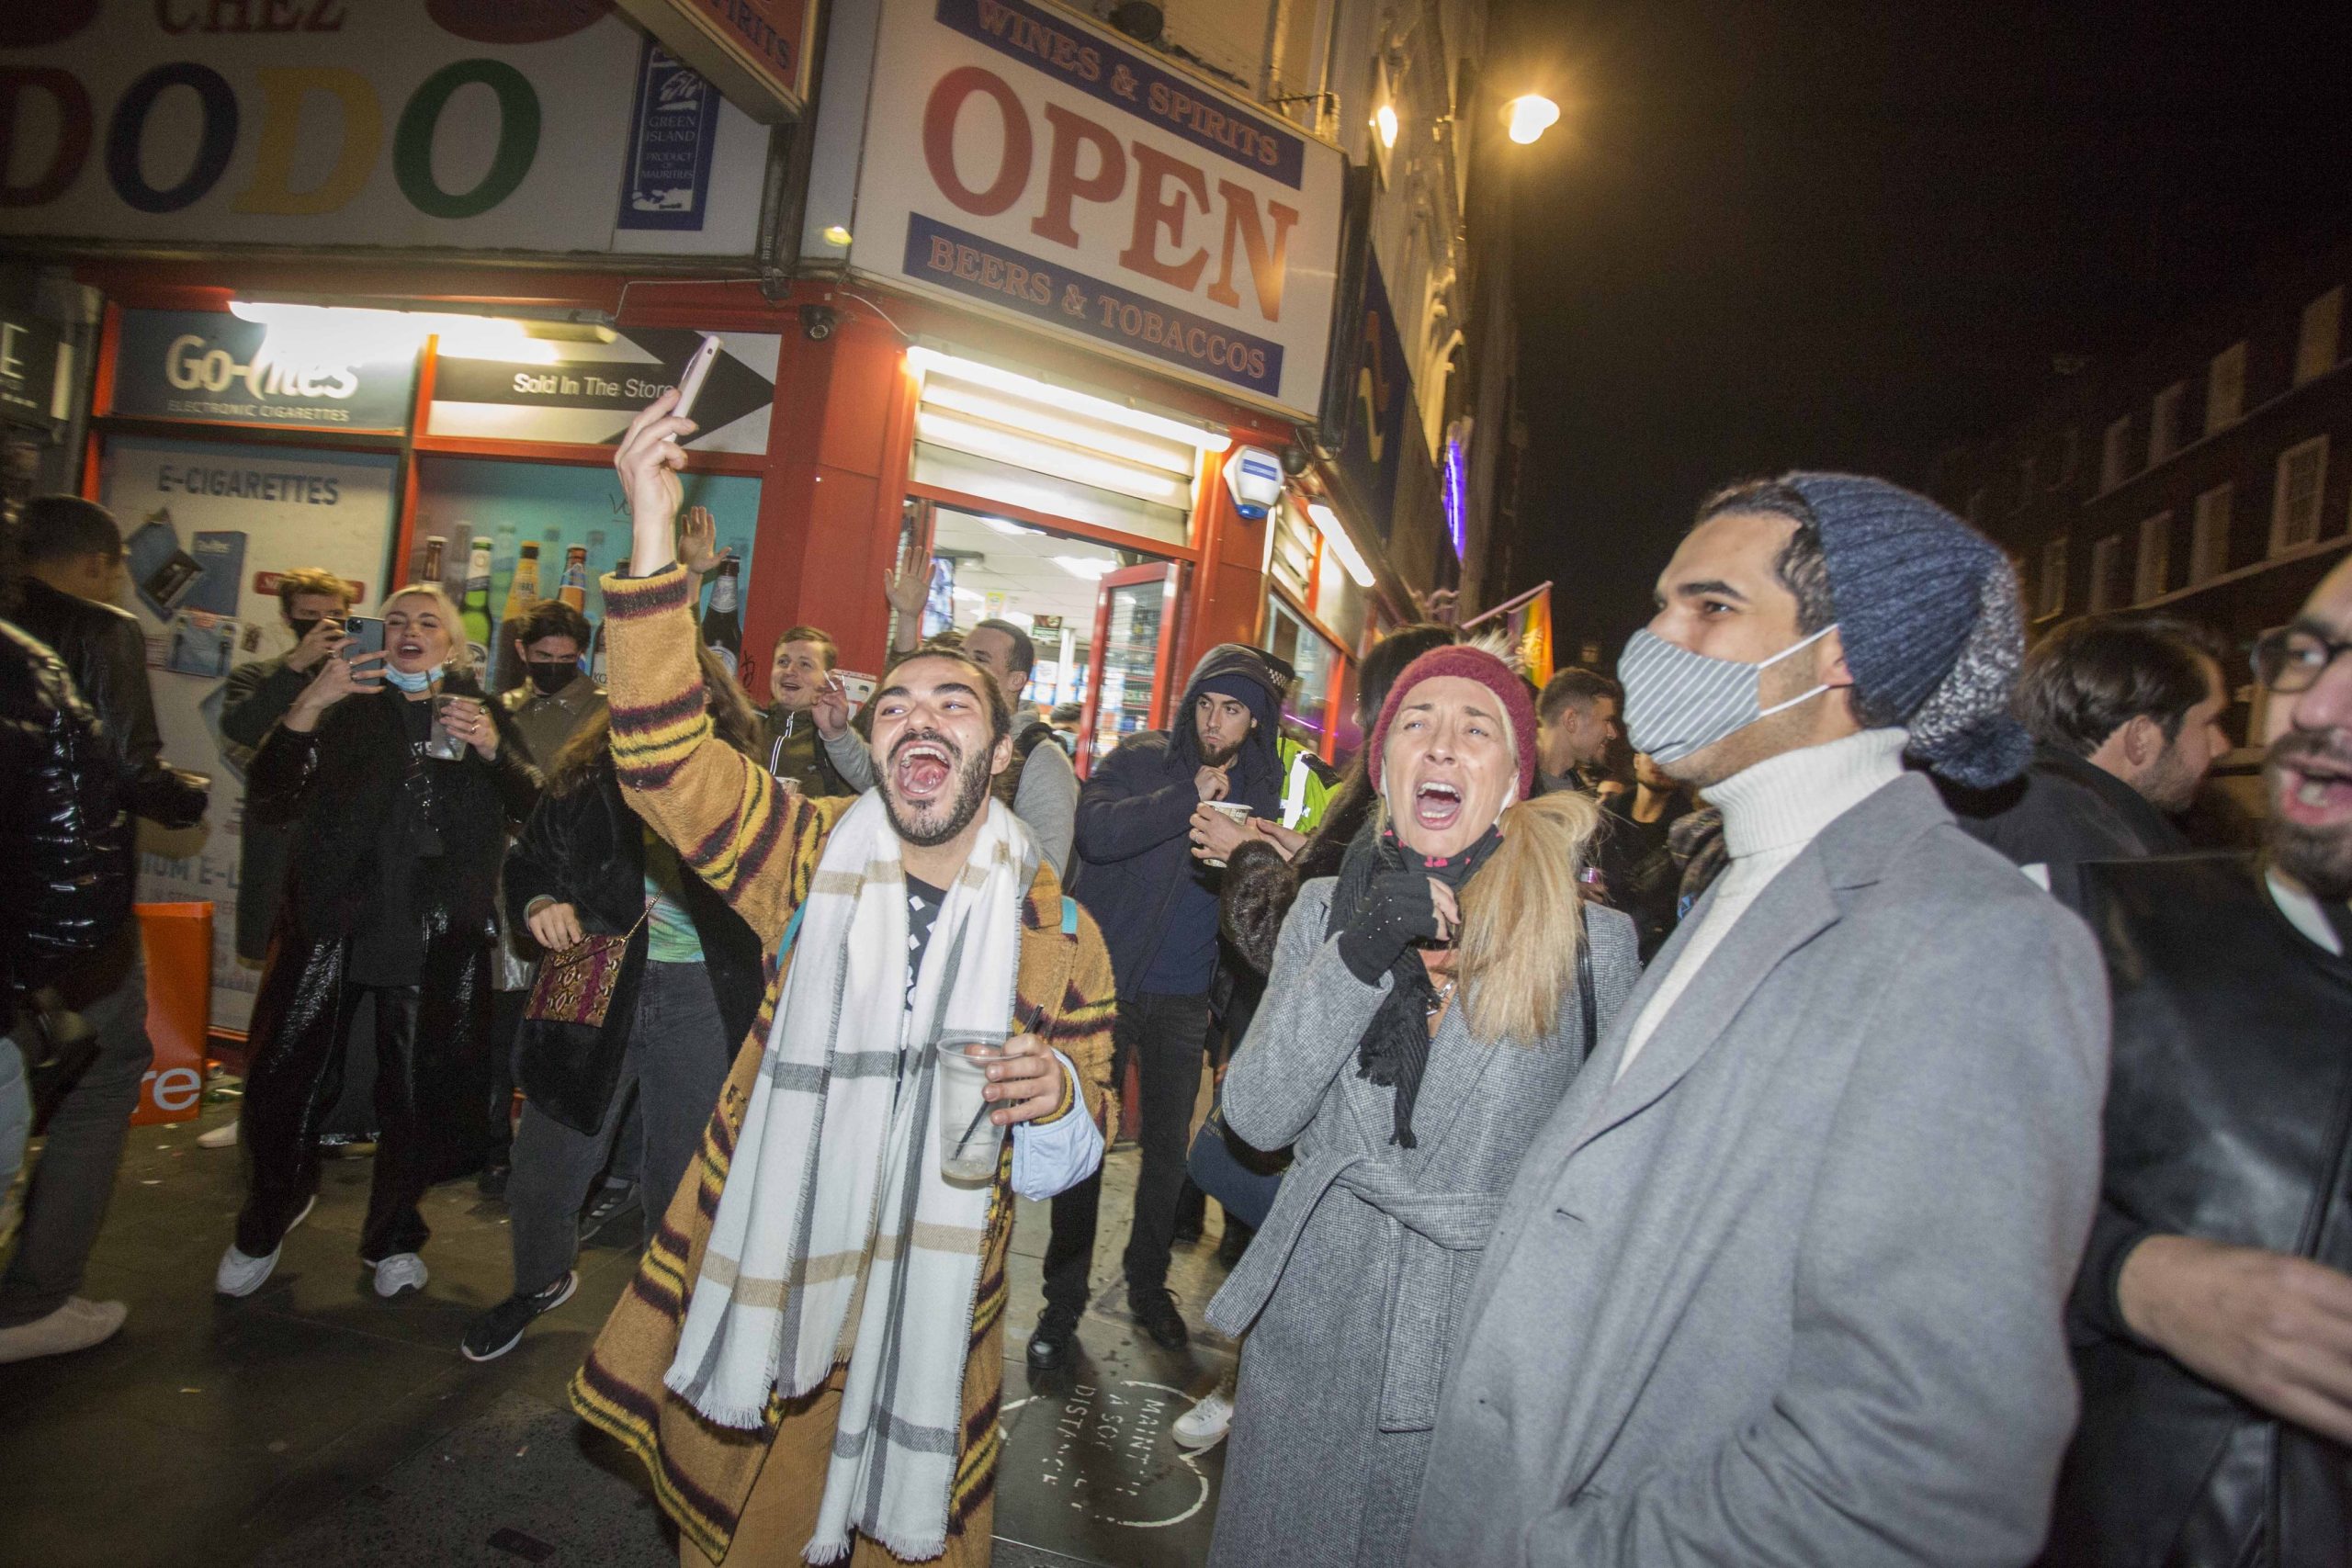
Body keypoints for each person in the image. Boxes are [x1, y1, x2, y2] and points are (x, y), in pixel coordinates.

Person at [1409, 474, 2109, 1564]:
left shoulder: (1977, 946)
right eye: (1661, 605)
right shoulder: (1749, 877)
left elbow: (1909, 1474)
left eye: (1710, 608)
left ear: (1839, 657)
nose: (1656, 641)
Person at [570, 392, 1115, 1568]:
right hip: (779, 1275)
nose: (921, 720)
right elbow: (661, 756)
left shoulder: (1062, 932)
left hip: (927, 1316)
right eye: (897, 706)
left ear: (997, 752)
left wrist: (1061, 1098)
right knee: (754, 1534)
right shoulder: (811, 851)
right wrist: (654, 531)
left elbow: (1084, 1149)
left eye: (953, 703)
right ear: (876, 746)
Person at [1198, 645, 1640, 1565]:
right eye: (1415, 725)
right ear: (1386, 766)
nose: (1441, 746)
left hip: (1478, 1351)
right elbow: (1258, 1116)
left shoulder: (1591, 942)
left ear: (1515, 777)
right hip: (1311, 1334)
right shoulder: (1323, 911)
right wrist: (1364, 951)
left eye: (1474, 729)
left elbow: (1611, 1184)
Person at [2043, 557, 2352, 1567]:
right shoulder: (2093, 920)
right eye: (2308, 653)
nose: (2319, 705)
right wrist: (2135, 1280)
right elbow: (1900, 1200)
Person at [1161, 622, 1457, 1451]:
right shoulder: (1372, 790)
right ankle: (1249, 1379)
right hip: (1325, 1060)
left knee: (1299, 1228)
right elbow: (1336, 884)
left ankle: (1264, 1393)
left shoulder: (1407, 795)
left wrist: (1248, 856)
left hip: (1348, 1070)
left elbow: (1322, 939)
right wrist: (1281, 844)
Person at [214, 585, 541, 1302]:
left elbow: (536, 807)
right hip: (331, 920)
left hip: (429, 933)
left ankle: (393, 1234)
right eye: (395, 620)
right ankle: (268, 1214)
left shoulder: (480, 713)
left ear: (455, 646)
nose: (409, 631)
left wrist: (489, 748)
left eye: (429, 622)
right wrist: (309, 701)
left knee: (414, 1093)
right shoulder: (344, 700)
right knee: (291, 1076)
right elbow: (270, 792)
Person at [459, 648, 763, 1362]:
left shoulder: (740, 789)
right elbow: (529, 861)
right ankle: (537, 1282)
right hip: (596, 977)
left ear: (709, 706)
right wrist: (538, 902)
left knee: (683, 1175)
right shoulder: (586, 778)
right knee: (547, 1158)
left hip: (701, 998)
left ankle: (672, 1319)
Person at [1028, 641, 1286, 1365]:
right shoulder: (1141, 758)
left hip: (1185, 996)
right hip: (1107, 984)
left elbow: (1257, 917)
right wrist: (1188, 797)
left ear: (1256, 720)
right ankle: (1061, 1301)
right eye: (1206, 703)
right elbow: (1098, 833)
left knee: (1168, 1156)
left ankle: (1148, 1286)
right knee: (1087, 1142)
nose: (1215, 720)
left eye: (1233, 709)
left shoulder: (1265, 794)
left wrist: (1232, 1025)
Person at [3, 496, 207, 1358]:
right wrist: (187, 793)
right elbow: (125, 769)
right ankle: (37, 1297)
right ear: (100, 561)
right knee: (110, 1057)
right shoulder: (96, 632)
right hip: (54, 915)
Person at [0, 618, 129, 1353]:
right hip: (16, 974)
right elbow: (72, 848)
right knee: (102, 1079)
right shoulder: (28, 668)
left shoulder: (32, 666)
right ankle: (33, 1304)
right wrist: (37, 980)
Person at [1943, 613, 2228, 908]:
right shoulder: (2077, 841)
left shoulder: (2023, 806)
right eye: (2209, 722)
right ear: (2140, 738)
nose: (2221, 746)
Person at [479, 597, 609, 1195]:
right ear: (523, 654)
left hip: (575, 886)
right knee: (497, 1020)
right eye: (543, 657)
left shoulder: (601, 714)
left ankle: (554, 1162)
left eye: (567, 657)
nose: (556, 665)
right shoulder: (500, 710)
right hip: (503, 875)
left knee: (561, 1024)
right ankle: (493, 1147)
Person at [824, 610, 1080, 876]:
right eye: (961, 654)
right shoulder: (936, 730)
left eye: (979, 659)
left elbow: (1046, 874)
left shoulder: (1041, 757)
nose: (962, 666)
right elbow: (879, 777)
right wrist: (836, 733)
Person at [219, 566, 357, 963]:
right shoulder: (257, 676)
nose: (322, 626)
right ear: (287, 619)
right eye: (309, 616)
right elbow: (242, 728)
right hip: (283, 839)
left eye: (333, 616)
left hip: (343, 839)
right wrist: (295, 667)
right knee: (278, 960)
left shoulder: (365, 682)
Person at [1600, 751, 1695, 959]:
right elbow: (1587, 867)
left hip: (1655, 951)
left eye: (1670, 756)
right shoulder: (1605, 818)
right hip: (1601, 940)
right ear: (1636, 760)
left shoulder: (1690, 835)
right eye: (1652, 752)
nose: (1659, 763)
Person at [756, 623, 857, 798]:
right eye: (783, 662)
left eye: (804, 664)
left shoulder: (840, 745)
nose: (789, 671)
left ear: (828, 679)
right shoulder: (744, 726)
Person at [1532, 668, 1623, 797]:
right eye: (1606, 720)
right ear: (1571, 721)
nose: (1613, 734)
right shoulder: (1510, 786)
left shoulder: (1584, 800)